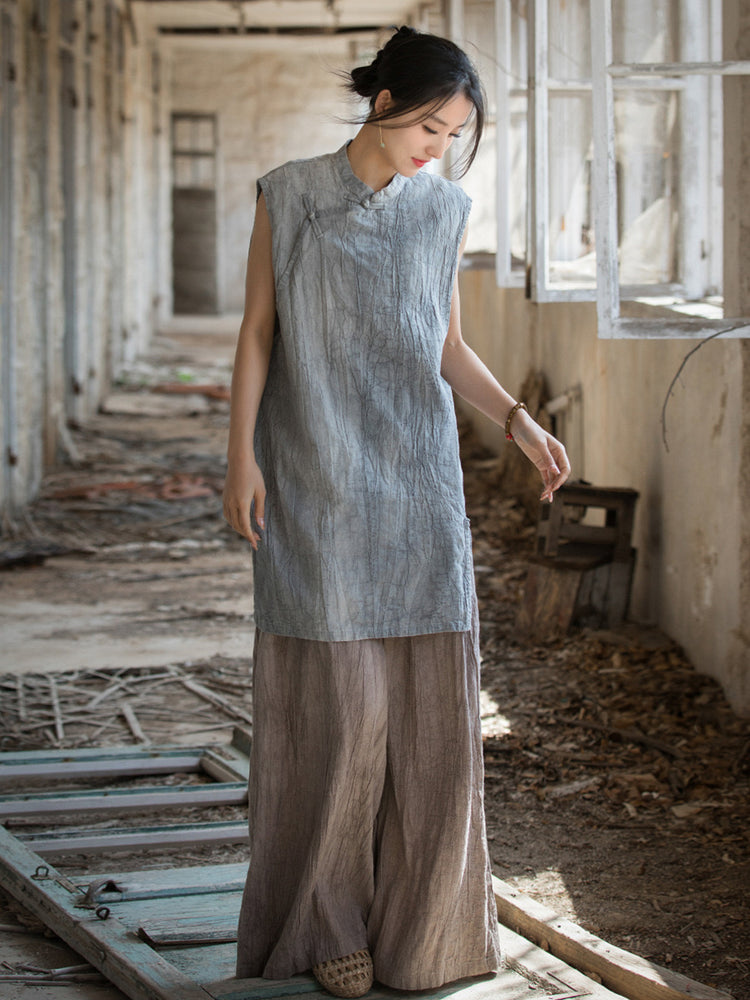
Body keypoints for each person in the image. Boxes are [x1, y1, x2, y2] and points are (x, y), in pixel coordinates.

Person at [223, 25, 570, 999]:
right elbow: (258, 331)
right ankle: (324, 920)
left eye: (454, 135)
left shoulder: (444, 209)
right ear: (383, 104)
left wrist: (518, 421)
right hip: (316, 475)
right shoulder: (290, 194)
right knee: (342, 709)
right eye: (429, 126)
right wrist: (239, 452)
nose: (438, 148)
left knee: (426, 716)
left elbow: (446, 344)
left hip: (419, 482)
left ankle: (422, 933)